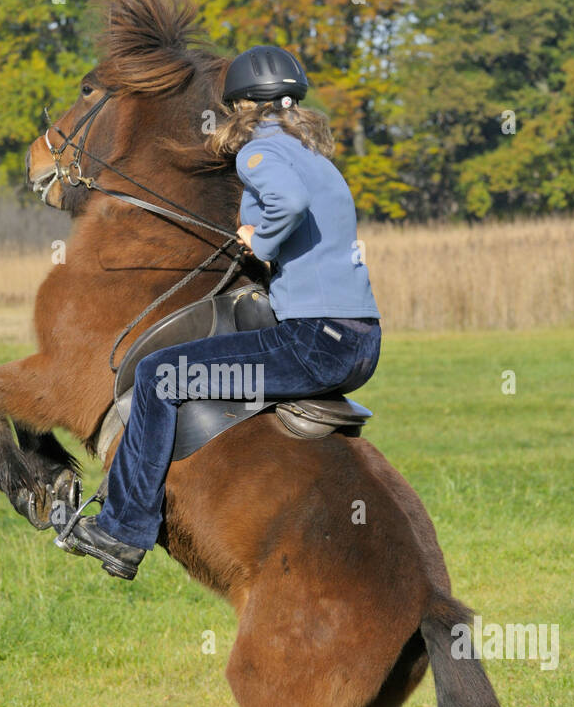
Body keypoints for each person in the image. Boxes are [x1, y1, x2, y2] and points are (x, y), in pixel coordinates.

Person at [61, 45, 381, 579]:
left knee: (161, 375)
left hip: (313, 343)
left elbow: (286, 205)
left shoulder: (258, 152)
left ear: (240, 107)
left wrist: (259, 239)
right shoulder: (318, 160)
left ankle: (122, 530)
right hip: (359, 342)